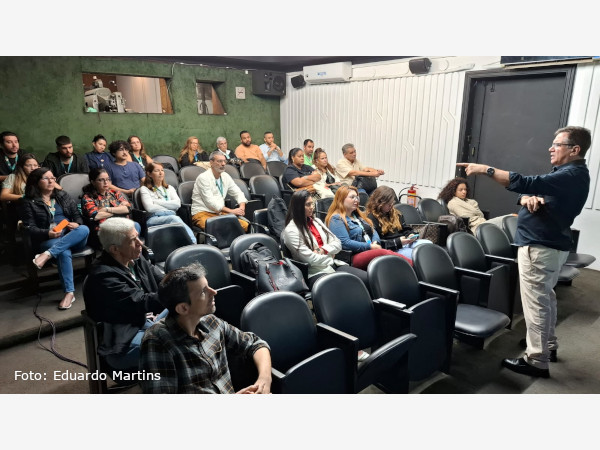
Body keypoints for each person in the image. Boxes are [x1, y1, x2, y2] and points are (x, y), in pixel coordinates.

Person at [457, 125, 592, 379]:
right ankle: (546, 345)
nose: (551, 148)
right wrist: (525, 199)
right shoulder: (569, 173)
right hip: (549, 245)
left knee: (537, 304)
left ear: (574, 149)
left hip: (541, 247)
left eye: (557, 144)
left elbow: (525, 182)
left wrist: (484, 169)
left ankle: (537, 359)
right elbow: (534, 192)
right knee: (546, 299)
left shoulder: (570, 174)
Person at [139, 262, 272, 393]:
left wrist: (264, 380)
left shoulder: (211, 322)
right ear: (183, 308)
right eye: (204, 291)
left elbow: (256, 344)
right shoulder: (157, 343)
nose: (214, 292)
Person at [83, 217, 168, 371]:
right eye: (132, 239)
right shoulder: (103, 277)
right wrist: (180, 290)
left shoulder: (135, 257)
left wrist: (184, 283)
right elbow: (142, 302)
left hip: (147, 321)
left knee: (196, 312)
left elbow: (163, 280)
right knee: (178, 342)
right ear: (115, 249)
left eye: (138, 236)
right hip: (123, 340)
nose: (140, 243)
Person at [20, 168, 90, 310]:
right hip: (50, 239)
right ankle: (69, 293)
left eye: (53, 178)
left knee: (84, 229)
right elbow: (29, 228)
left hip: (73, 236)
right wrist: (47, 233)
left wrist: (77, 223)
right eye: (46, 178)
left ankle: (47, 255)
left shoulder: (62, 195)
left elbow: (77, 216)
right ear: (36, 182)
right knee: (63, 251)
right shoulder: (29, 202)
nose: (51, 181)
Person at [282, 190, 371, 289]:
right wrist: (330, 257)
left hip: (333, 265)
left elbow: (338, 243)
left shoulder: (316, 221)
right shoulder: (291, 231)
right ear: (298, 207)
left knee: (367, 279)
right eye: (308, 204)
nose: (312, 207)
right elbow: (310, 260)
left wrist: (323, 250)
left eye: (312, 203)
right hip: (314, 272)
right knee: (344, 287)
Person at [325, 185, 412, 270]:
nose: (356, 200)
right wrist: (369, 246)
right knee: (384, 253)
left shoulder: (358, 216)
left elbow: (373, 231)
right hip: (352, 256)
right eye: (352, 197)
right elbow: (345, 243)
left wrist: (375, 242)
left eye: (357, 197)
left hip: (368, 250)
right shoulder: (336, 219)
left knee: (387, 261)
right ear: (341, 199)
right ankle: (414, 266)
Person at [366, 186, 432, 259]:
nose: (391, 206)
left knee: (428, 244)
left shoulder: (395, 213)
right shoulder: (371, 218)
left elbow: (405, 229)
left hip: (403, 242)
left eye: (392, 202)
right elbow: (378, 243)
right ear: (379, 203)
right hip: (392, 248)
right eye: (388, 203)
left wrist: (411, 234)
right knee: (417, 255)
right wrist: (398, 242)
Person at [81, 167, 139, 248]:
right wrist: (118, 209)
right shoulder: (88, 197)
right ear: (93, 182)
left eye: (107, 179)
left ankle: (130, 255)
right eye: (101, 180)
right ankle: (129, 256)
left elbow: (128, 209)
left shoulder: (114, 192)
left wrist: (106, 209)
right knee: (129, 233)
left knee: (135, 225)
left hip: (121, 225)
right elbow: (96, 216)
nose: (106, 182)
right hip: (102, 230)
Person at [191, 151, 249, 232]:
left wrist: (241, 208)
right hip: (202, 212)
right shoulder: (203, 178)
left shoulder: (225, 176)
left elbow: (238, 193)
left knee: (244, 225)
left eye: (224, 161)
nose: (223, 164)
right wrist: (232, 211)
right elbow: (211, 203)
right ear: (211, 162)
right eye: (219, 161)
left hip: (219, 213)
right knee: (219, 229)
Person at [139, 162, 196, 243]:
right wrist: (169, 205)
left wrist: (156, 202)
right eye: (157, 171)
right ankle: (193, 242)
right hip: (154, 218)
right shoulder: (144, 189)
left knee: (174, 219)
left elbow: (177, 204)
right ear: (149, 174)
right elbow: (150, 208)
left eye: (162, 170)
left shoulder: (169, 188)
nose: (160, 173)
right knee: (174, 219)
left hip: (171, 215)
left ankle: (186, 244)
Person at [438, 177, 512, 234]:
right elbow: (465, 215)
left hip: (483, 223)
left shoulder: (470, 201)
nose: (464, 192)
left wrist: (474, 212)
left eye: (465, 189)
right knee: (511, 218)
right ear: (454, 191)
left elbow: (481, 215)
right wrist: (475, 211)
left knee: (512, 219)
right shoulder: (453, 202)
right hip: (476, 228)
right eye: (461, 190)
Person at [1, 153, 39, 245]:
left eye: (35, 165)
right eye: (28, 165)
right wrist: (25, 197)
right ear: (22, 167)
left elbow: (59, 190)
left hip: (40, 209)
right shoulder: (13, 177)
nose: (33, 168)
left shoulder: (42, 177)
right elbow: (3, 196)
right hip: (22, 210)